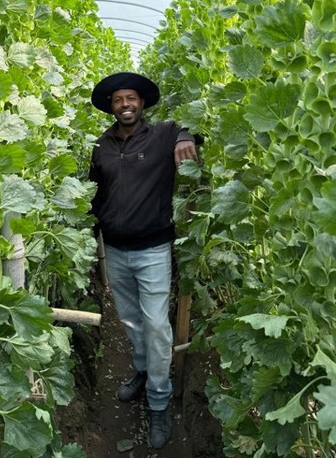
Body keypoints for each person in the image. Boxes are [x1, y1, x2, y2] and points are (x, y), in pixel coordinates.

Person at [86, 71, 200, 450]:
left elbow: (192, 126)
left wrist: (185, 138)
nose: (125, 105)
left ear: (142, 103)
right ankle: (142, 370)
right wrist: (90, 233)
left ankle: (159, 401)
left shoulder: (164, 134)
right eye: (118, 100)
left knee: (156, 327)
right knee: (132, 321)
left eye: (131, 98)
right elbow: (94, 194)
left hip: (153, 250)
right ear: (111, 106)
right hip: (116, 251)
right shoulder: (101, 146)